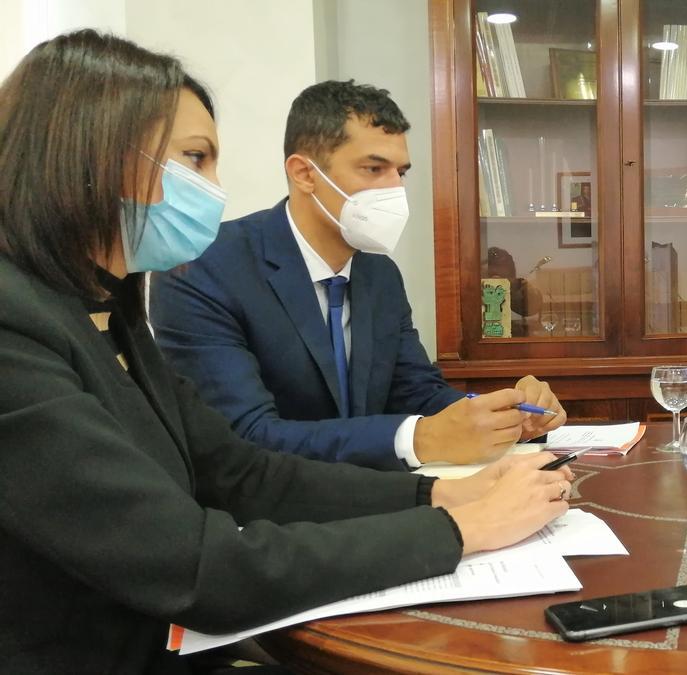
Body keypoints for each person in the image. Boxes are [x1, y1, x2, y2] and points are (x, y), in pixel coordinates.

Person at [0, 31, 574, 673]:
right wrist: (462, 530)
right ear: (92, 156)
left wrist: (441, 496)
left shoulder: (111, 311)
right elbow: (197, 565)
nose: (215, 189)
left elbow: (244, 473)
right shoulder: (15, 328)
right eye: (195, 159)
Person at [150, 80, 566, 471]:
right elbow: (245, 436)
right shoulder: (203, 268)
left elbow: (415, 392)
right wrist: (417, 439)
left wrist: (503, 415)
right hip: (267, 520)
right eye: (373, 169)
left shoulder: (379, 273)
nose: (393, 190)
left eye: (400, 173)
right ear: (305, 173)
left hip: (381, 498)